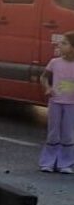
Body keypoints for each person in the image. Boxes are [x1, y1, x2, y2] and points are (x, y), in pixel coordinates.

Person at [39, 31, 74, 174]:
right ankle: (47, 162)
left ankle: (65, 163)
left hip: (71, 104)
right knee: (53, 132)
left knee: (68, 133)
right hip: (55, 102)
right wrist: (47, 88)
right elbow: (43, 77)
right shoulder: (55, 62)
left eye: (64, 43)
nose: (60, 45)